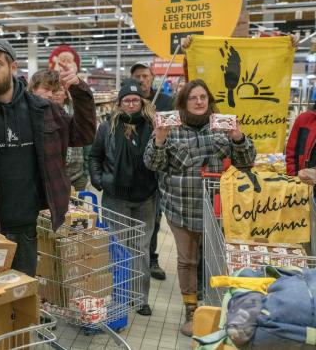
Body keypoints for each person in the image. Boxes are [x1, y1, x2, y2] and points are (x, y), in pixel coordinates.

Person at [0, 38, 96, 277]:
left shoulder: (42, 109)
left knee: (20, 300)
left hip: (25, 228)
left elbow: (83, 134)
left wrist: (79, 93)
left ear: (13, 68)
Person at [143, 79, 256, 336]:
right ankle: (191, 310)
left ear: (209, 100)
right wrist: (159, 139)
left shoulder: (221, 126)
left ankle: (216, 307)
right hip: (180, 207)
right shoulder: (170, 127)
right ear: (183, 101)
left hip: (216, 209)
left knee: (215, 259)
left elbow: (247, 161)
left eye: (203, 97)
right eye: (193, 97)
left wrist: (238, 137)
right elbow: (152, 164)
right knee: (187, 260)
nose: (198, 101)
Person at [89, 79, 157, 316]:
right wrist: (100, 181)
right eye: (126, 100)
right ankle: (118, 294)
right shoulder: (107, 127)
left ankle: (140, 298)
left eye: (135, 100)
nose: (131, 104)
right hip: (115, 196)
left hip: (145, 197)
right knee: (118, 246)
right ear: (119, 103)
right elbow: (95, 156)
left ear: (142, 102)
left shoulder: (152, 125)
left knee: (141, 247)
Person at [130, 61, 173, 281]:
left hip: (160, 170)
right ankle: (133, 261)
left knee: (155, 219)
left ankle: (152, 259)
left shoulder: (165, 101)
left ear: (152, 77)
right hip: (136, 172)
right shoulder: (130, 102)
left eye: (145, 76)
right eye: (137, 76)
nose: (141, 80)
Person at [29, 70, 88, 191]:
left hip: (71, 177)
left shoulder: (65, 115)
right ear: (33, 89)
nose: (51, 94)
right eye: (46, 88)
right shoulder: (25, 115)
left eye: (56, 90)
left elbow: (86, 141)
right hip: (38, 183)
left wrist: (85, 173)